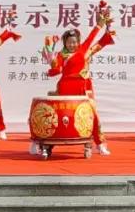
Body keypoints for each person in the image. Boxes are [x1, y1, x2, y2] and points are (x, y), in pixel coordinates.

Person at [45, 10, 115, 155]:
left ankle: (100, 144)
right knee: (62, 114)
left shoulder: (83, 49)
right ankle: (47, 141)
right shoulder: (60, 55)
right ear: (65, 43)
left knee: (91, 114)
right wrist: (51, 61)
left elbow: (92, 36)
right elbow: (55, 71)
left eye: (75, 42)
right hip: (65, 86)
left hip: (83, 86)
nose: (72, 44)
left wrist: (100, 24)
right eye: (70, 42)